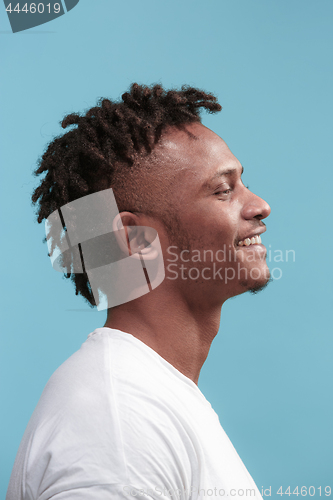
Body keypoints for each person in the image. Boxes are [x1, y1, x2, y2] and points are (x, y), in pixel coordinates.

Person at [6, 83, 271, 500]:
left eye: (243, 183)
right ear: (134, 237)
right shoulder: (119, 423)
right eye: (224, 190)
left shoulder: (145, 398)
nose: (259, 205)